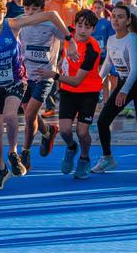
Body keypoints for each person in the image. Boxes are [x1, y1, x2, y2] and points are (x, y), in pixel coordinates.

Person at [0, 0, 77, 190]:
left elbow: (52, 15)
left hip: (16, 80)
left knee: (11, 115)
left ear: (4, 13)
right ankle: (0, 168)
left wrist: (69, 39)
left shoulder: (13, 24)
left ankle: (13, 152)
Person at [89, 5, 137, 174]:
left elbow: (134, 70)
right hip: (123, 82)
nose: (116, 20)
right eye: (113, 16)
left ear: (128, 21)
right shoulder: (111, 40)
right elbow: (108, 64)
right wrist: (95, 83)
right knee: (102, 121)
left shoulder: (133, 39)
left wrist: (124, 91)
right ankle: (107, 159)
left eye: (120, 17)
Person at [36, 10, 103, 179]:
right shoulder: (70, 34)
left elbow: (77, 81)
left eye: (87, 27)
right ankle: (72, 147)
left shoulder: (92, 49)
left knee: (82, 132)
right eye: (79, 25)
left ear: (93, 30)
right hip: (68, 91)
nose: (82, 30)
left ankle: (84, 158)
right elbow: (52, 19)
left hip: (88, 92)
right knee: (65, 131)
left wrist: (54, 75)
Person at [16, 0, 62, 171]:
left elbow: (68, 36)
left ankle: (25, 153)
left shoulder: (51, 23)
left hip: (45, 75)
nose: (30, 13)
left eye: (35, 10)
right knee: (30, 113)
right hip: (25, 75)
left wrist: (71, 46)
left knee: (28, 116)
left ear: (42, 10)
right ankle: (48, 132)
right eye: (27, 9)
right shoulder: (21, 21)